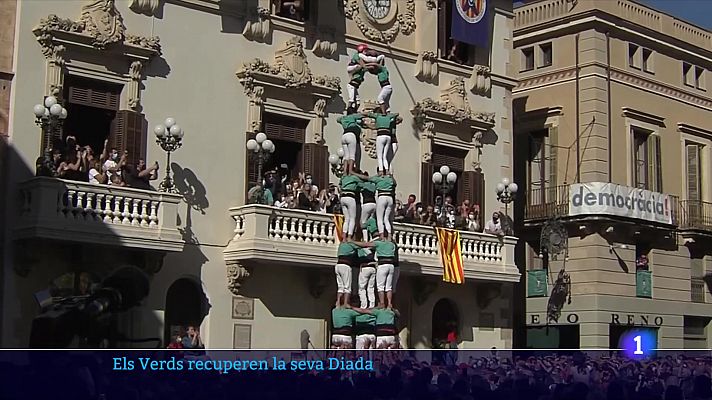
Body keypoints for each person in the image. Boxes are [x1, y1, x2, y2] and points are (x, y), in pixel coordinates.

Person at [362, 109, 401, 174]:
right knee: (386, 159)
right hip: (391, 140)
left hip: (390, 141)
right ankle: (387, 172)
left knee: (383, 158)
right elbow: (399, 117)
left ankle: (383, 173)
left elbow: (374, 126)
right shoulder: (389, 119)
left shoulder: (380, 118)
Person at [335, 239, 371, 307]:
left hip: (338, 266)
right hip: (345, 266)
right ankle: (346, 303)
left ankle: (338, 302)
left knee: (340, 287)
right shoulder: (351, 244)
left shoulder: (341, 244)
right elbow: (363, 247)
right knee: (347, 287)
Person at [371, 236, 398, 308]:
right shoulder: (392, 245)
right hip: (391, 266)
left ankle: (382, 303)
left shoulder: (380, 244)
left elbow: (367, 244)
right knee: (389, 287)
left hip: (382, 265)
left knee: (380, 287)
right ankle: (389, 303)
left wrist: (354, 242)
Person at [365, 49, 393, 113]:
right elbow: (372, 70)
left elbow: (375, 65)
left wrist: (365, 65)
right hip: (385, 87)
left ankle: (384, 113)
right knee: (386, 102)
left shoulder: (383, 69)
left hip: (387, 87)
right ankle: (387, 111)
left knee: (380, 98)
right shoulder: (379, 73)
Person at [337, 109, 364, 175]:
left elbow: (338, 119)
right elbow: (361, 116)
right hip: (351, 135)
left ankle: (345, 171)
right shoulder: (353, 117)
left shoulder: (344, 118)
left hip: (344, 136)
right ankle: (350, 170)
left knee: (346, 156)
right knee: (352, 156)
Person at [339, 171, 363, 241]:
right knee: (352, 218)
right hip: (350, 197)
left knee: (347, 218)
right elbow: (361, 183)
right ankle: (349, 236)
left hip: (343, 197)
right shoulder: (354, 178)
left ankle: (344, 236)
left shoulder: (343, 177)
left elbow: (340, 184)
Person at [346, 44, 369, 111]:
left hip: (355, 86)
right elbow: (361, 63)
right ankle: (348, 112)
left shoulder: (361, 68)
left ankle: (354, 111)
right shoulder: (357, 55)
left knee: (358, 102)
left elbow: (365, 67)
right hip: (351, 85)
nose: (366, 52)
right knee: (351, 100)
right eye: (365, 50)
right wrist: (364, 66)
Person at [357, 245, 376, 310]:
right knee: (371, 287)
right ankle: (372, 304)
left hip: (365, 267)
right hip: (373, 268)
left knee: (362, 288)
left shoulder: (361, 249)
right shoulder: (372, 249)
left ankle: (363, 305)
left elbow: (359, 259)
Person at [359, 171, 377, 240]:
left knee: (364, 222)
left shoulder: (362, 185)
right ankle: (372, 237)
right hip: (374, 204)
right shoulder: (373, 185)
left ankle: (365, 239)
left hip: (366, 204)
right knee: (371, 222)